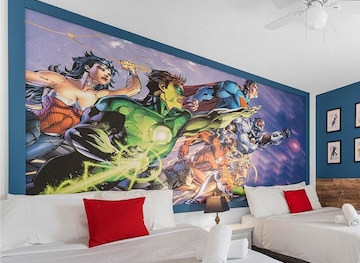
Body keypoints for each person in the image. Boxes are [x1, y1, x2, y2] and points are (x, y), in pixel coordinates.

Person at [29, 69, 257, 194]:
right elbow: (81, 133)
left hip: (106, 188)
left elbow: (211, 120)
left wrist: (239, 113)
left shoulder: (178, 121)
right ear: (162, 87)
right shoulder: (125, 106)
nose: (182, 93)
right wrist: (113, 155)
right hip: (65, 176)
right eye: (177, 88)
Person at [25, 52, 141, 161]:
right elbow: (24, 74)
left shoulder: (98, 96)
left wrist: (132, 71)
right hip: (33, 125)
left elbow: (134, 89)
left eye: (109, 74)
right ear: (87, 67)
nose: (107, 74)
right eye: (102, 68)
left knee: (20, 159)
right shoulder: (60, 80)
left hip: (52, 139)